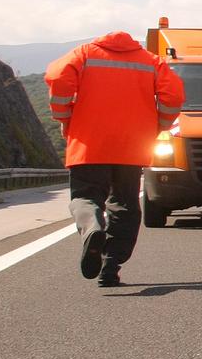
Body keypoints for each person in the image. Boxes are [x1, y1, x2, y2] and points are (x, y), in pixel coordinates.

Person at [45, 31, 185, 287]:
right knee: (124, 204)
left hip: (88, 144)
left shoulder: (84, 54)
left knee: (85, 198)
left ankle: (92, 229)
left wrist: (64, 117)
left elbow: (57, 76)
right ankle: (110, 266)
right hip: (131, 147)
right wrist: (159, 125)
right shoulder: (151, 61)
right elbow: (174, 95)